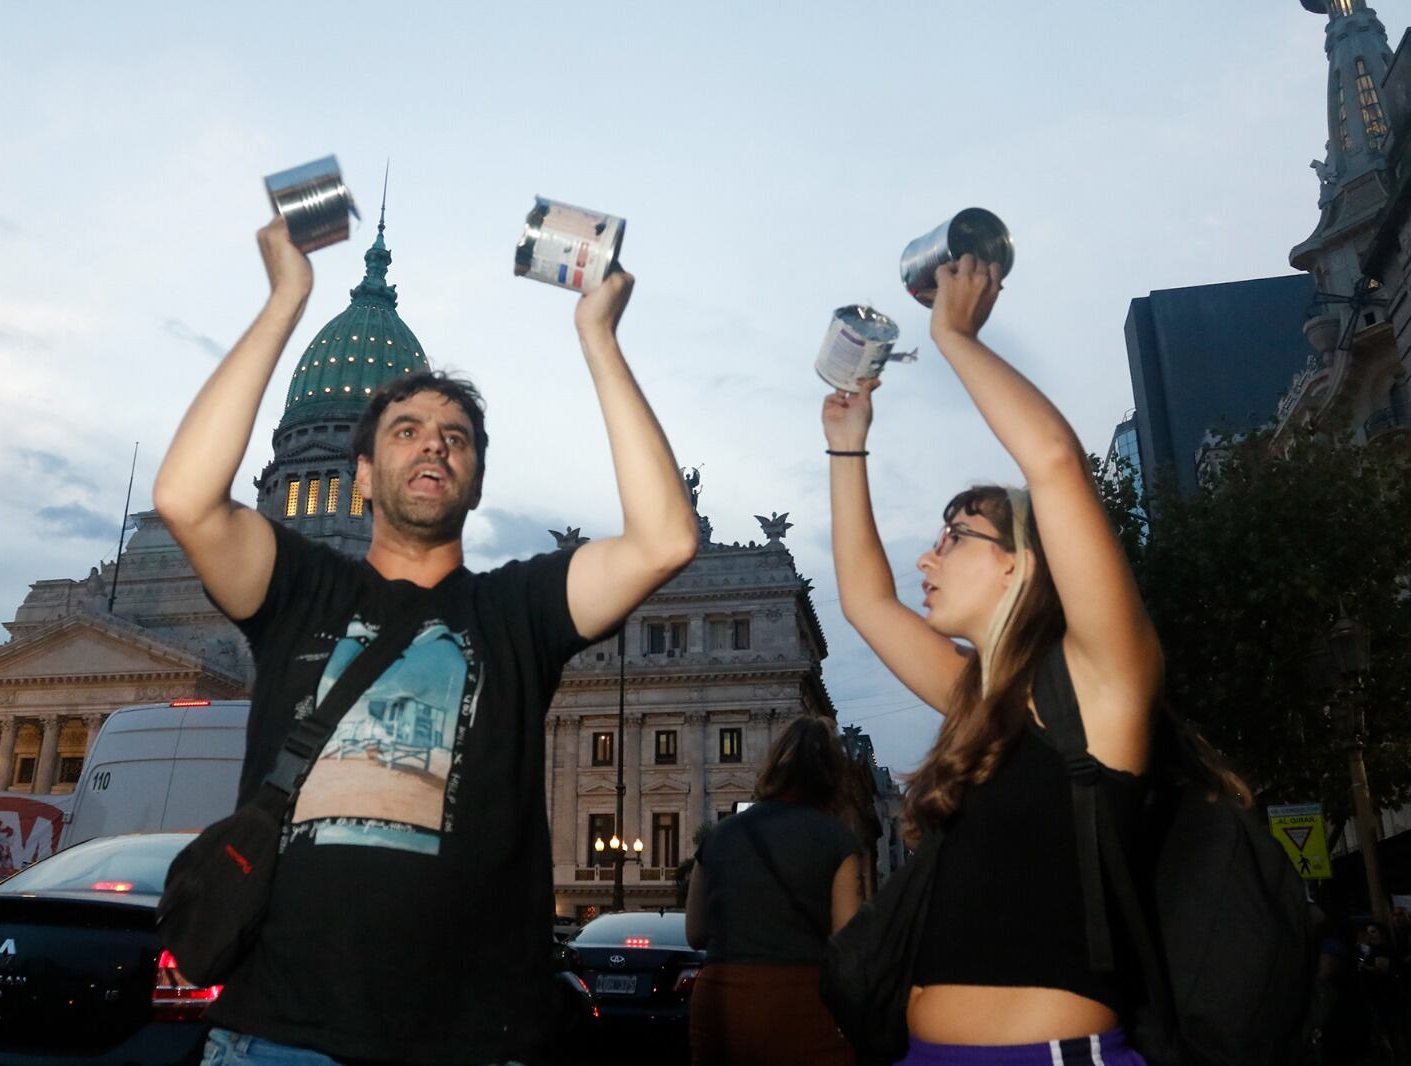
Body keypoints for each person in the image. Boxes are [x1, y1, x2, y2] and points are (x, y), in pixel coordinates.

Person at [154, 216, 698, 1066]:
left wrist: (598, 336)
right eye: (406, 430)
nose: (434, 444)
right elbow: (186, 498)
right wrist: (286, 299)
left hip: (474, 1041)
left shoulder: (516, 610)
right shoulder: (300, 589)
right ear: (362, 474)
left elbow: (665, 540)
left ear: (474, 481)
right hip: (279, 1038)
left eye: (456, 438)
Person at [822, 255, 1161, 1065]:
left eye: (955, 537)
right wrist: (847, 448)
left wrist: (955, 335)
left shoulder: (1101, 686)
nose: (928, 559)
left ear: (1021, 564)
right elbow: (866, 601)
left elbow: (1053, 462)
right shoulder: (978, 702)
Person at [684, 714, 864, 1066]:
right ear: (832, 774)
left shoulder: (719, 835)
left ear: (774, 765)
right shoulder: (838, 839)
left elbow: (695, 932)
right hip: (800, 1002)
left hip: (719, 1003)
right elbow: (848, 946)